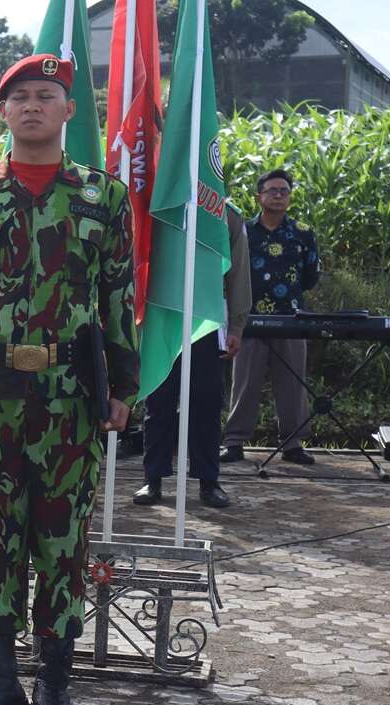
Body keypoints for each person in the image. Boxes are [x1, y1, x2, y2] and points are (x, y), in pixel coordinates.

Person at [0, 54, 137, 705]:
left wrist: (123, 388)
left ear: (70, 110)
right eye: (20, 97)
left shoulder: (102, 198)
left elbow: (117, 302)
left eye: (47, 95)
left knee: (62, 540)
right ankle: (0, 685)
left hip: (70, 395)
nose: (33, 106)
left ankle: (55, 688)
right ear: (3, 112)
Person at [134, 204, 251, 509]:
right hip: (163, 314)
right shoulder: (160, 202)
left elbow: (238, 272)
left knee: (206, 403)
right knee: (159, 400)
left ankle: (208, 481)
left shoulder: (225, 214)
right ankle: (153, 478)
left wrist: (236, 324)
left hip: (207, 319)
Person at [220, 169, 320, 466]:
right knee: (245, 383)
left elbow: (311, 276)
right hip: (249, 320)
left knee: (291, 384)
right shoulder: (243, 230)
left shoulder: (302, 232)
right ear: (259, 196)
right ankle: (235, 442)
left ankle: (293, 444)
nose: (278, 195)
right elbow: (231, 271)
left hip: (291, 320)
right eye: (272, 190)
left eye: (284, 191)